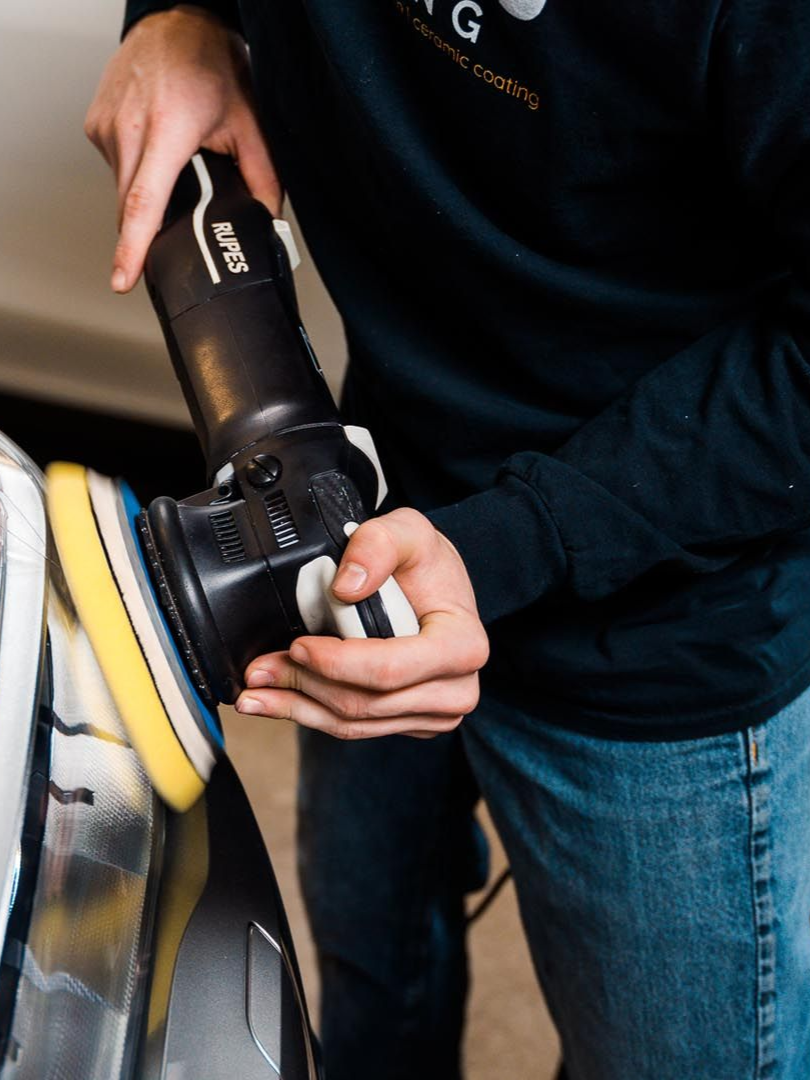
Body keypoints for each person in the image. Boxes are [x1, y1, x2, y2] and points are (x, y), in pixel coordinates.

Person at [85, 3, 810, 1077]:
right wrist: (176, 18)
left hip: (660, 625)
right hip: (378, 514)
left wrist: (510, 541)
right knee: (370, 977)